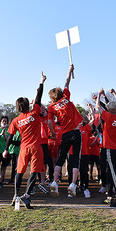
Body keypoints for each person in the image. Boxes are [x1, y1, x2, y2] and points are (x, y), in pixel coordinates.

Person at [3, 71, 47, 209]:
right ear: (29, 105)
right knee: (34, 172)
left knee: (19, 172)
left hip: (23, 148)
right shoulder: (34, 113)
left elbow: (10, 136)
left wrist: (5, 150)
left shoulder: (16, 120)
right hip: (36, 147)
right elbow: (39, 98)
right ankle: (26, 196)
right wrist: (41, 82)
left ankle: (16, 195)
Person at [48, 65, 83, 197]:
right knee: (74, 159)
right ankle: (73, 184)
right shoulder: (66, 98)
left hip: (65, 134)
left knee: (61, 158)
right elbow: (67, 82)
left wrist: (52, 132)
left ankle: (54, 182)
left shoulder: (51, 107)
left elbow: (50, 122)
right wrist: (69, 70)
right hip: (75, 133)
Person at [96, 88, 116, 207]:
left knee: (112, 173)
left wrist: (99, 94)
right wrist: (114, 93)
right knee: (108, 173)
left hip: (109, 148)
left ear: (108, 109)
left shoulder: (108, 116)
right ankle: (109, 196)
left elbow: (98, 106)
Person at [0, 116, 11, 187]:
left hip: (6, 151)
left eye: (6, 121)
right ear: (0, 122)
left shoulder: (9, 130)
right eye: (3, 121)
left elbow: (8, 141)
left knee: (4, 167)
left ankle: (1, 181)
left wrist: (4, 135)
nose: (4, 122)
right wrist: (0, 135)